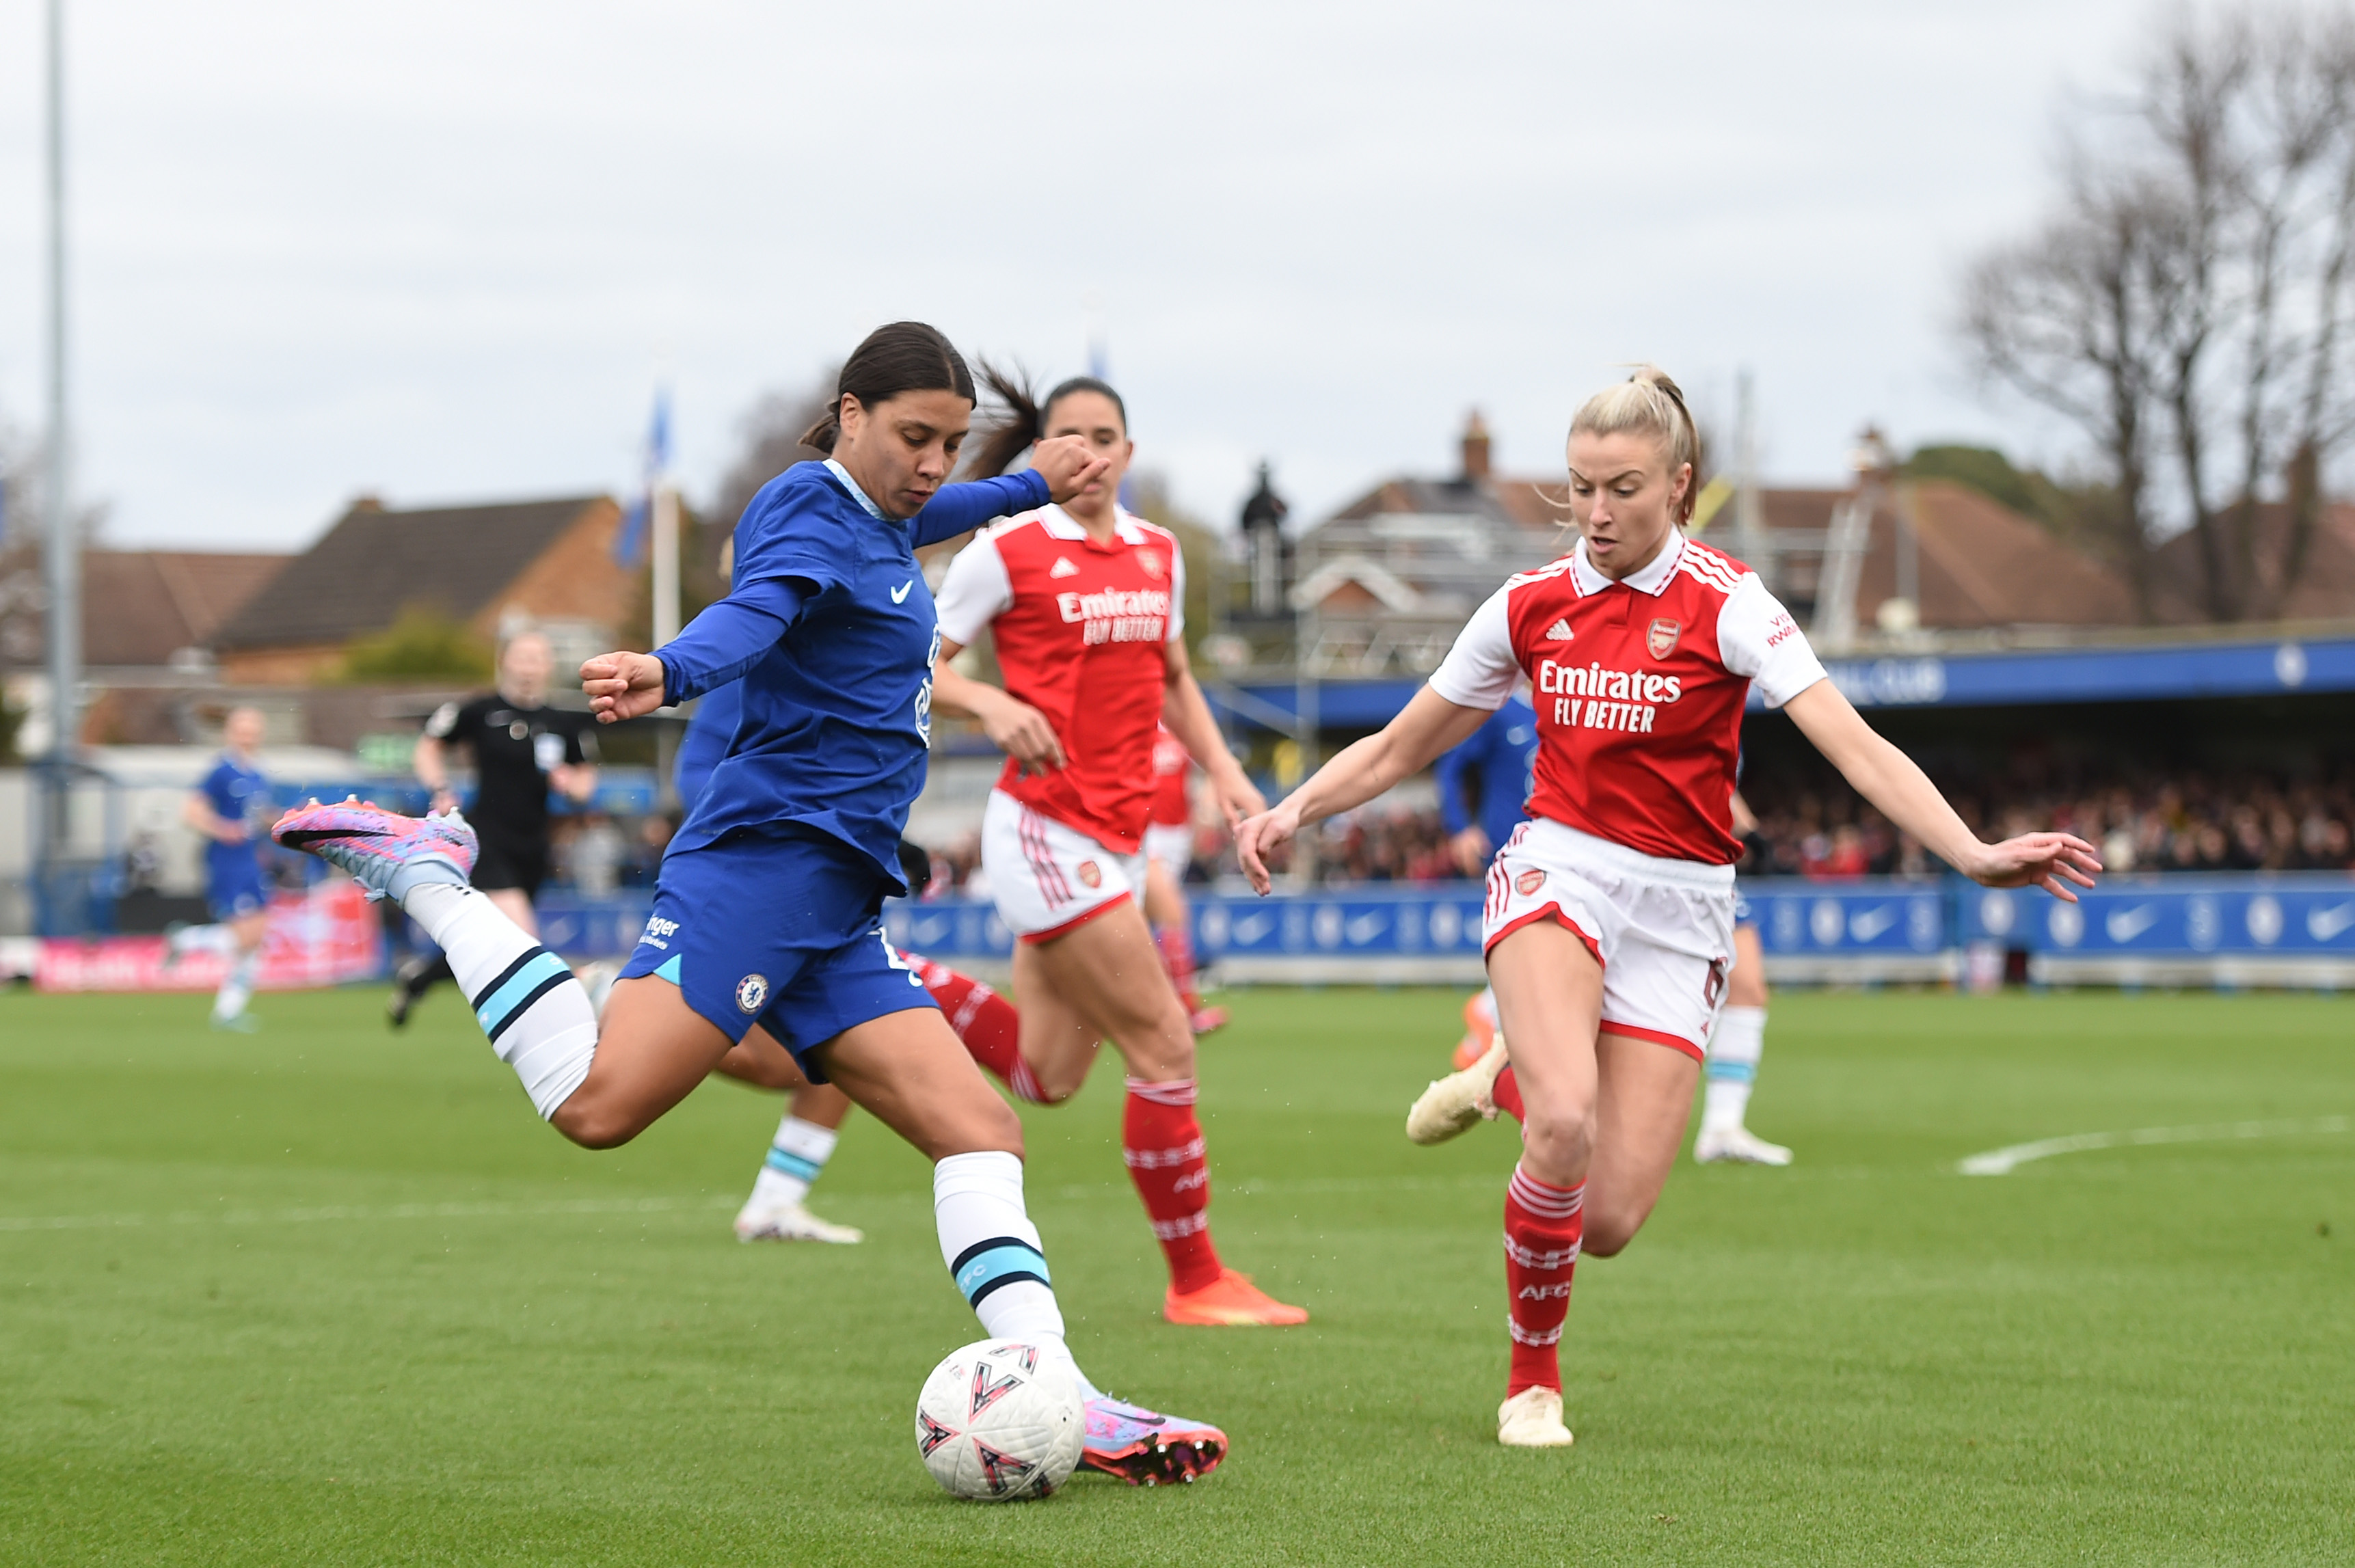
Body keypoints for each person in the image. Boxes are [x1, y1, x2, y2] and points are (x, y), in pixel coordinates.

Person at [273, 323, 1227, 1485]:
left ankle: (1073, 1402)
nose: (932, 463)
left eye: (949, 442)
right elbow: (759, 610)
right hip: (763, 870)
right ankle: (423, 869)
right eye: (914, 436)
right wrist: (668, 669)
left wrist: (1037, 476)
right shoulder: (804, 507)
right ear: (852, 413)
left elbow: (945, 511)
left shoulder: (889, 516)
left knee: (982, 1129)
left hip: (839, 897)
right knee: (596, 1106)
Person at [1235, 368, 2099, 1449]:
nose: (1595, 513)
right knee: (1564, 1124)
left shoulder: (1731, 601)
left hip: (1684, 908)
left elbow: (1856, 744)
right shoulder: (1526, 603)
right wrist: (1295, 807)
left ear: (1679, 487)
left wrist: (1972, 851)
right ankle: (1531, 1382)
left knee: (1604, 1221)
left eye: (1622, 489)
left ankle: (1501, 1073)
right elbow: (1404, 744)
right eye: (1579, 487)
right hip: (1557, 871)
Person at [927, 368, 1305, 1328]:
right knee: (1165, 1041)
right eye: (1069, 439)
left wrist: (1223, 770)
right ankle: (1196, 1280)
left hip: (1118, 837)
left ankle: (892, 973)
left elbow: (1173, 672)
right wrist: (991, 700)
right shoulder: (1005, 547)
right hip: (1045, 832)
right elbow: (912, 663)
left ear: (1128, 453)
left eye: (1104, 437)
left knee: (1045, 1076)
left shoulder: (1159, 552)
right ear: (1042, 454)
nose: (1088, 455)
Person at [386, 631, 599, 1026]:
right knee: (523, 940)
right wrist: (440, 788)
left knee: (492, 941)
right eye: (522, 658)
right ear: (505, 662)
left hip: (535, 848)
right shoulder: (481, 710)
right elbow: (429, 746)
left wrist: (573, 783)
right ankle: (550, 1031)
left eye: (538, 659)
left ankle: (419, 978)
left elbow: (587, 779)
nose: (529, 667)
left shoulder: (563, 722)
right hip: (487, 840)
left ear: (549, 666)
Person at [1433, 684, 1540, 1072]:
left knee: (1550, 951)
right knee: (1540, 941)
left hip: (1566, 846)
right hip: (1514, 850)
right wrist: (1460, 827)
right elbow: (1449, 768)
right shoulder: (1502, 709)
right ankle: (1489, 1013)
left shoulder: (1570, 700)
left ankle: (1487, 1017)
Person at [166, 706, 273, 1030]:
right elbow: (191, 811)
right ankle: (187, 940)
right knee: (245, 936)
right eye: (243, 730)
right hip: (227, 861)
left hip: (250, 859)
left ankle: (228, 1010)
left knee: (256, 936)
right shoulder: (222, 771)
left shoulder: (257, 774)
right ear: (230, 732)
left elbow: (261, 815)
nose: (249, 737)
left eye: (253, 730)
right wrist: (223, 829)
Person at [1697, 790, 1789, 1165]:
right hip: (1638, 850)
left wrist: (1749, 831)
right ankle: (1497, 1015)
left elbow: (1715, 778)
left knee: (1747, 986)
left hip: (1704, 862)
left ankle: (1722, 1128)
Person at [1143, 725, 1223, 1034]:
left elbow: (1213, 765)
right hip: (1142, 834)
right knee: (1173, 914)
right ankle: (1186, 1011)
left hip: (1177, 837)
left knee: (1138, 922)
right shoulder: (1131, 716)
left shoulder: (1178, 720)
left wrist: (1206, 813)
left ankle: (1151, 1008)